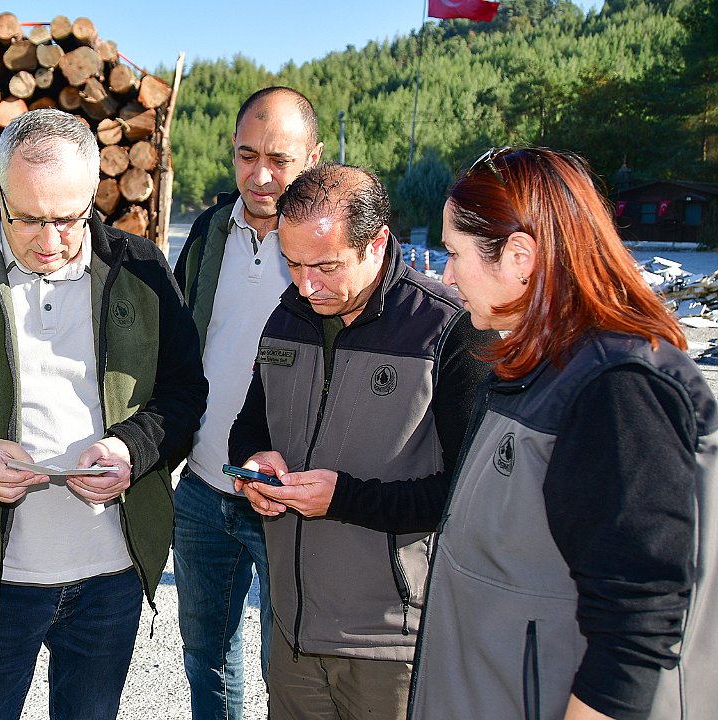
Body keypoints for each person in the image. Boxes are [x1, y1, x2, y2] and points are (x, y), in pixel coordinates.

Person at [271, 147, 714, 719]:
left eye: (456, 254)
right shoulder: (528, 371)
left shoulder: (619, 389)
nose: (447, 275)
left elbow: (637, 628)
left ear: (520, 257)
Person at [0, 108, 206, 720]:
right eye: (28, 218)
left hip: (111, 576)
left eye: (67, 219)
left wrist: (131, 450)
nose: (50, 241)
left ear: (94, 196)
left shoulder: (142, 270)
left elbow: (185, 394)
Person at [228, 163, 497, 720]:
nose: (306, 285)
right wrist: (252, 463)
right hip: (293, 636)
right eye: (293, 263)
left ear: (376, 243)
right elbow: (248, 425)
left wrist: (344, 499)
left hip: (393, 648)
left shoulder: (450, 329)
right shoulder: (287, 316)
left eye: (326, 266)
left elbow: (471, 496)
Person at [171, 85, 322, 719]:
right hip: (203, 490)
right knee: (206, 657)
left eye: (279, 160)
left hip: (289, 499)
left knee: (291, 669)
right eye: (247, 155)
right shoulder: (209, 234)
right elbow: (178, 348)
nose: (260, 176)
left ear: (313, 158)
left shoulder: (330, 246)